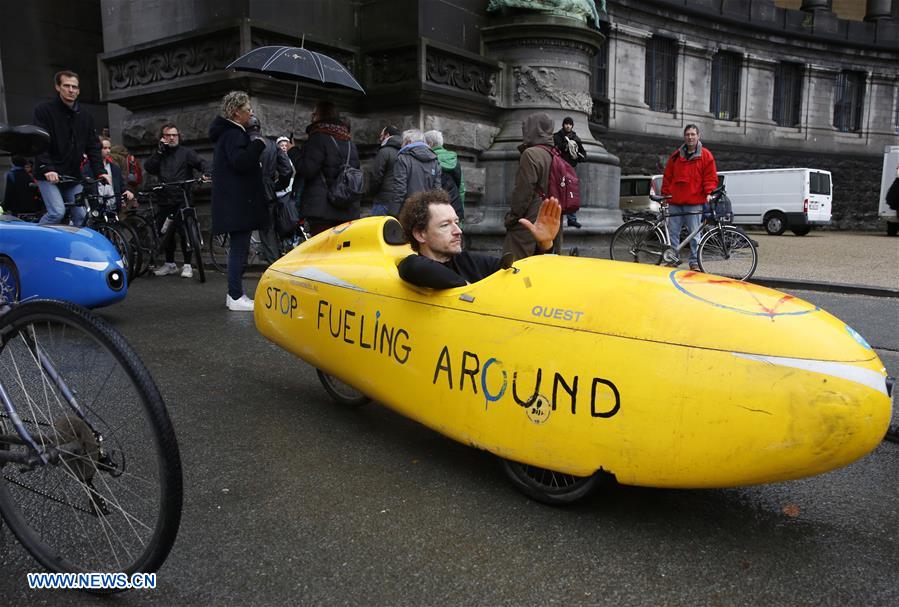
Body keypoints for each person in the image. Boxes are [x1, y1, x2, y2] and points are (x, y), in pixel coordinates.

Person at [397, 189, 561, 289]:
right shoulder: (413, 266)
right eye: (445, 225)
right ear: (420, 234)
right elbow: (413, 267)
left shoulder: (470, 262)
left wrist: (545, 246)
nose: (458, 231)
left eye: (456, 222)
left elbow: (523, 277)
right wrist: (466, 288)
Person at [209, 91, 268, 311]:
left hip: (234, 201)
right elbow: (241, 161)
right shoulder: (234, 134)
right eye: (248, 110)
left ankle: (235, 294)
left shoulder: (229, 133)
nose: (251, 113)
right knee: (239, 248)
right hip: (237, 202)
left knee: (239, 247)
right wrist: (258, 145)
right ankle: (235, 295)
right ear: (236, 113)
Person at [32, 70, 108, 225]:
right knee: (56, 213)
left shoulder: (85, 116)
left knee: (82, 216)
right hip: (49, 174)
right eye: (66, 85)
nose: (71, 90)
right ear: (58, 87)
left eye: (74, 87)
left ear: (78, 90)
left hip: (72, 175)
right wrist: (47, 168)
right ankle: (34, 242)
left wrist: (100, 171)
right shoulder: (44, 110)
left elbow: (93, 147)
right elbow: (39, 142)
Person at [144, 123, 210, 278]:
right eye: (168, 135)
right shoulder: (160, 154)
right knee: (166, 232)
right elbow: (149, 167)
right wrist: (159, 151)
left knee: (185, 232)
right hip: (164, 199)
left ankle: (187, 265)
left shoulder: (186, 153)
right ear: (163, 137)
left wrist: (207, 172)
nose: (172, 138)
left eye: (175, 135)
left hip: (183, 199)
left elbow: (201, 163)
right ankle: (170, 264)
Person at [502, 113, 563, 261]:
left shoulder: (530, 154)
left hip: (529, 219)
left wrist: (513, 217)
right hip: (550, 218)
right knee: (543, 267)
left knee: (515, 267)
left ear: (533, 129)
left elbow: (523, 191)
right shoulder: (555, 154)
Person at [294, 100, 361, 235]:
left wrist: (293, 152)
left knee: (321, 251)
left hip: (321, 210)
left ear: (319, 116)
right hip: (346, 207)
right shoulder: (349, 142)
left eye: (314, 114)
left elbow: (308, 170)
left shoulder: (318, 138)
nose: (311, 117)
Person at [661, 124, 718, 271]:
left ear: (698, 136)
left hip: (694, 201)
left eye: (693, 134)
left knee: (695, 235)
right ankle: (673, 259)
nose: (690, 137)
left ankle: (694, 262)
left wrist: (709, 192)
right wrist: (665, 195)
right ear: (684, 137)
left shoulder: (706, 156)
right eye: (687, 134)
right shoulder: (675, 157)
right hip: (675, 200)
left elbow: (710, 177)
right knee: (673, 233)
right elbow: (667, 177)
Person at [247, 115, 294, 265]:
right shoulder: (272, 145)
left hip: (245, 192)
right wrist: (277, 186)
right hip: (267, 192)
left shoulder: (241, 144)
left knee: (242, 230)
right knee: (268, 231)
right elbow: (287, 170)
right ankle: (274, 264)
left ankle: (240, 265)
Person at [393, 129, 441, 214]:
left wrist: (393, 212)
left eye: (403, 142)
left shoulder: (403, 158)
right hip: (427, 210)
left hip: (408, 210)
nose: (401, 145)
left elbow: (400, 189)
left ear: (408, 142)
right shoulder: (434, 160)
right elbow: (437, 190)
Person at [424, 129, 465, 222]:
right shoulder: (454, 159)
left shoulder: (427, 159)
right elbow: (461, 188)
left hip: (434, 209)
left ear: (429, 143)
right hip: (454, 205)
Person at [553, 116, 586, 228]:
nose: (568, 126)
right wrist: (566, 146)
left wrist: (577, 155)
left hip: (570, 169)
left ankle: (571, 219)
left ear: (572, 126)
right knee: (558, 191)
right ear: (563, 125)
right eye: (566, 124)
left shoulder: (576, 138)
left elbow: (583, 154)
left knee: (570, 192)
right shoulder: (557, 136)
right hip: (559, 168)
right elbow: (556, 148)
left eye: (570, 124)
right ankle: (557, 216)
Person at [90, 137, 135, 211]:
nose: (108, 151)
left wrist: (126, 191)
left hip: (113, 205)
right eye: (104, 148)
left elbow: (121, 185)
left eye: (109, 148)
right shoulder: (89, 167)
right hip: (97, 206)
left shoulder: (114, 168)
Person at [368, 125, 402, 216]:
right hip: (400, 200)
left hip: (383, 200)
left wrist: (371, 193)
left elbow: (376, 176)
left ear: (387, 135)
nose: (380, 138)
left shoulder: (384, 151)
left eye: (381, 135)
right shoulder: (405, 151)